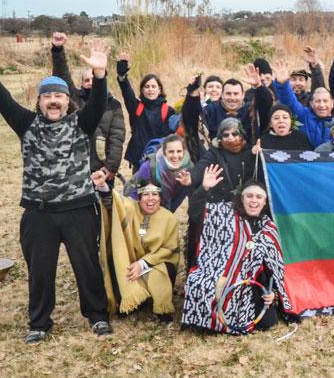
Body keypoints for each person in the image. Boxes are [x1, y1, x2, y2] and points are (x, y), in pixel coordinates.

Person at [0, 38, 113, 343]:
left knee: (87, 267)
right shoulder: (26, 124)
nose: (53, 101)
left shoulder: (81, 124)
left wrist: (100, 76)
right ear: (40, 101)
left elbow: (99, 104)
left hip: (79, 210)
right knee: (40, 271)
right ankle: (39, 323)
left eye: (59, 96)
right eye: (47, 96)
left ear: (67, 100)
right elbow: (3, 101)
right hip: (39, 213)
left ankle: (98, 317)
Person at [181, 182, 291, 334]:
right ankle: (214, 321)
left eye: (259, 197)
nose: (254, 200)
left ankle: (226, 320)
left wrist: (271, 292)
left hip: (252, 284)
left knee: (268, 321)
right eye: (249, 196)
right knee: (201, 285)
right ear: (242, 199)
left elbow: (273, 268)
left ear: (264, 202)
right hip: (219, 273)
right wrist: (203, 189)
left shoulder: (269, 228)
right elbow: (195, 212)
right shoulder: (224, 214)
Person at [93, 171, 181, 321]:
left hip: (158, 262)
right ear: (139, 198)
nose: (151, 199)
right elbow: (115, 202)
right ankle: (134, 300)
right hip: (132, 261)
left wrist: (143, 263)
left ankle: (161, 307)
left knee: (159, 272)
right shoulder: (131, 208)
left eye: (155, 194)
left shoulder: (169, 218)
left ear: (160, 197)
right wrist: (102, 185)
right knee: (121, 268)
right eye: (146, 194)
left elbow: (169, 249)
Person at [50, 32, 126, 183]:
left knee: (104, 205)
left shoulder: (113, 105)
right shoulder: (74, 99)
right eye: (86, 80)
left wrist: (111, 166)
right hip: (73, 168)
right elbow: (62, 76)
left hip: (101, 170)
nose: (90, 83)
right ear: (82, 83)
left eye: (93, 78)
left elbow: (117, 137)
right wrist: (58, 51)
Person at [187, 118, 258, 268]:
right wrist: (191, 178)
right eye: (226, 135)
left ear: (242, 135)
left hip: (243, 210)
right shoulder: (214, 154)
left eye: (235, 133)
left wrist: (255, 155)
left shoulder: (250, 153)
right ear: (220, 138)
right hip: (219, 212)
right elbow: (201, 168)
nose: (231, 138)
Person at [182, 68, 271, 157]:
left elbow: (266, 106)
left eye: (236, 94)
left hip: (248, 160)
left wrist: (259, 87)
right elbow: (191, 118)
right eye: (228, 93)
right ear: (222, 95)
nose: (232, 98)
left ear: (243, 95)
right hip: (216, 162)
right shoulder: (210, 110)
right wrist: (192, 92)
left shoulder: (251, 110)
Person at [115, 55, 179, 171]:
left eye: (154, 86)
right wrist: (122, 76)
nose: (150, 89)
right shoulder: (136, 107)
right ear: (142, 90)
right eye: (147, 87)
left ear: (159, 90)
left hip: (161, 161)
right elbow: (126, 92)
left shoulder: (168, 111)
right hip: (138, 160)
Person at [271, 58, 334, 148]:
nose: (322, 105)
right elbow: (290, 101)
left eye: (325, 101)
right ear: (311, 103)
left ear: (332, 103)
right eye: (318, 101)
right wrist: (283, 84)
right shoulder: (303, 115)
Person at [126, 134, 194, 213]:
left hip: (164, 205)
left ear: (184, 151)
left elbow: (176, 200)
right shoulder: (149, 166)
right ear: (164, 152)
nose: (175, 156)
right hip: (136, 204)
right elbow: (134, 194)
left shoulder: (188, 168)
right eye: (171, 152)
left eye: (179, 151)